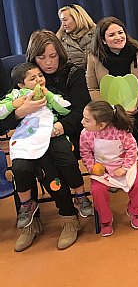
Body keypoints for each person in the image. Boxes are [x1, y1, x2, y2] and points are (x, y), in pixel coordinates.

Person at [1, 30, 91, 251]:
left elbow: (81, 111)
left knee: (49, 164)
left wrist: (59, 128)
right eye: (42, 58)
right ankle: (31, 221)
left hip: (63, 133)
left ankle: (69, 217)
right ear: (33, 58)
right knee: (21, 166)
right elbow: (4, 119)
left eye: (53, 56)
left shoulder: (73, 74)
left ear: (60, 53)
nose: (48, 63)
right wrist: (21, 112)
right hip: (30, 138)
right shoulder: (24, 79)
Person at [86, 16, 138, 183]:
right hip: (110, 109)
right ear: (102, 39)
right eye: (111, 35)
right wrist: (108, 110)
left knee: (130, 126)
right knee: (114, 127)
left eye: (120, 32)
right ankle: (114, 169)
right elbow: (93, 88)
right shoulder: (94, 58)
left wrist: (137, 105)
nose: (118, 37)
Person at [80, 101, 138, 237]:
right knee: (97, 190)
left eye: (87, 120)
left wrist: (125, 167)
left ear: (102, 125)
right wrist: (92, 167)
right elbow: (85, 153)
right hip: (102, 169)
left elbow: (132, 149)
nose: (82, 122)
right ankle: (105, 219)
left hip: (122, 166)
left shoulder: (120, 131)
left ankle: (135, 211)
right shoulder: (85, 134)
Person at [56, 4, 96, 69]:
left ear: (77, 18)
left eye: (65, 20)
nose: (63, 24)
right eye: (61, 21)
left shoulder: (96, 34)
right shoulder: (60, 39)